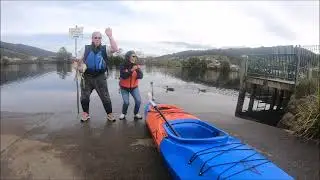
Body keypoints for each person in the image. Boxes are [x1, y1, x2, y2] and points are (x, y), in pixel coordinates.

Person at [76, 28, 119, 122]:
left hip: (100, 77)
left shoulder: (105, 49)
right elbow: (77, 61)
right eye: (95, 37)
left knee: (105, 97)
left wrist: (110, 36)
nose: (97, 39)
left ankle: (109, 114)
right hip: (87, 76)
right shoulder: (85, 48)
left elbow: (115, 49)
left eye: (99, 38)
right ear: (92, 39)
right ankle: (86, 114)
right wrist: (79, 67)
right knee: (84, 97)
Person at [118, 50, 143, 120]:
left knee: (138, 101)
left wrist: (138, 70)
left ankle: (136, 113)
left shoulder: (136, 65)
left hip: (134, 87)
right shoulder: (122, 65)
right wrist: (132, 70)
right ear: (128, 57)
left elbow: (140, 76)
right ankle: (123, 113)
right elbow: (123, 76)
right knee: (126, 102)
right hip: (124, 88)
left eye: (135, 57)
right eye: (133, 56)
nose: (134, 58)